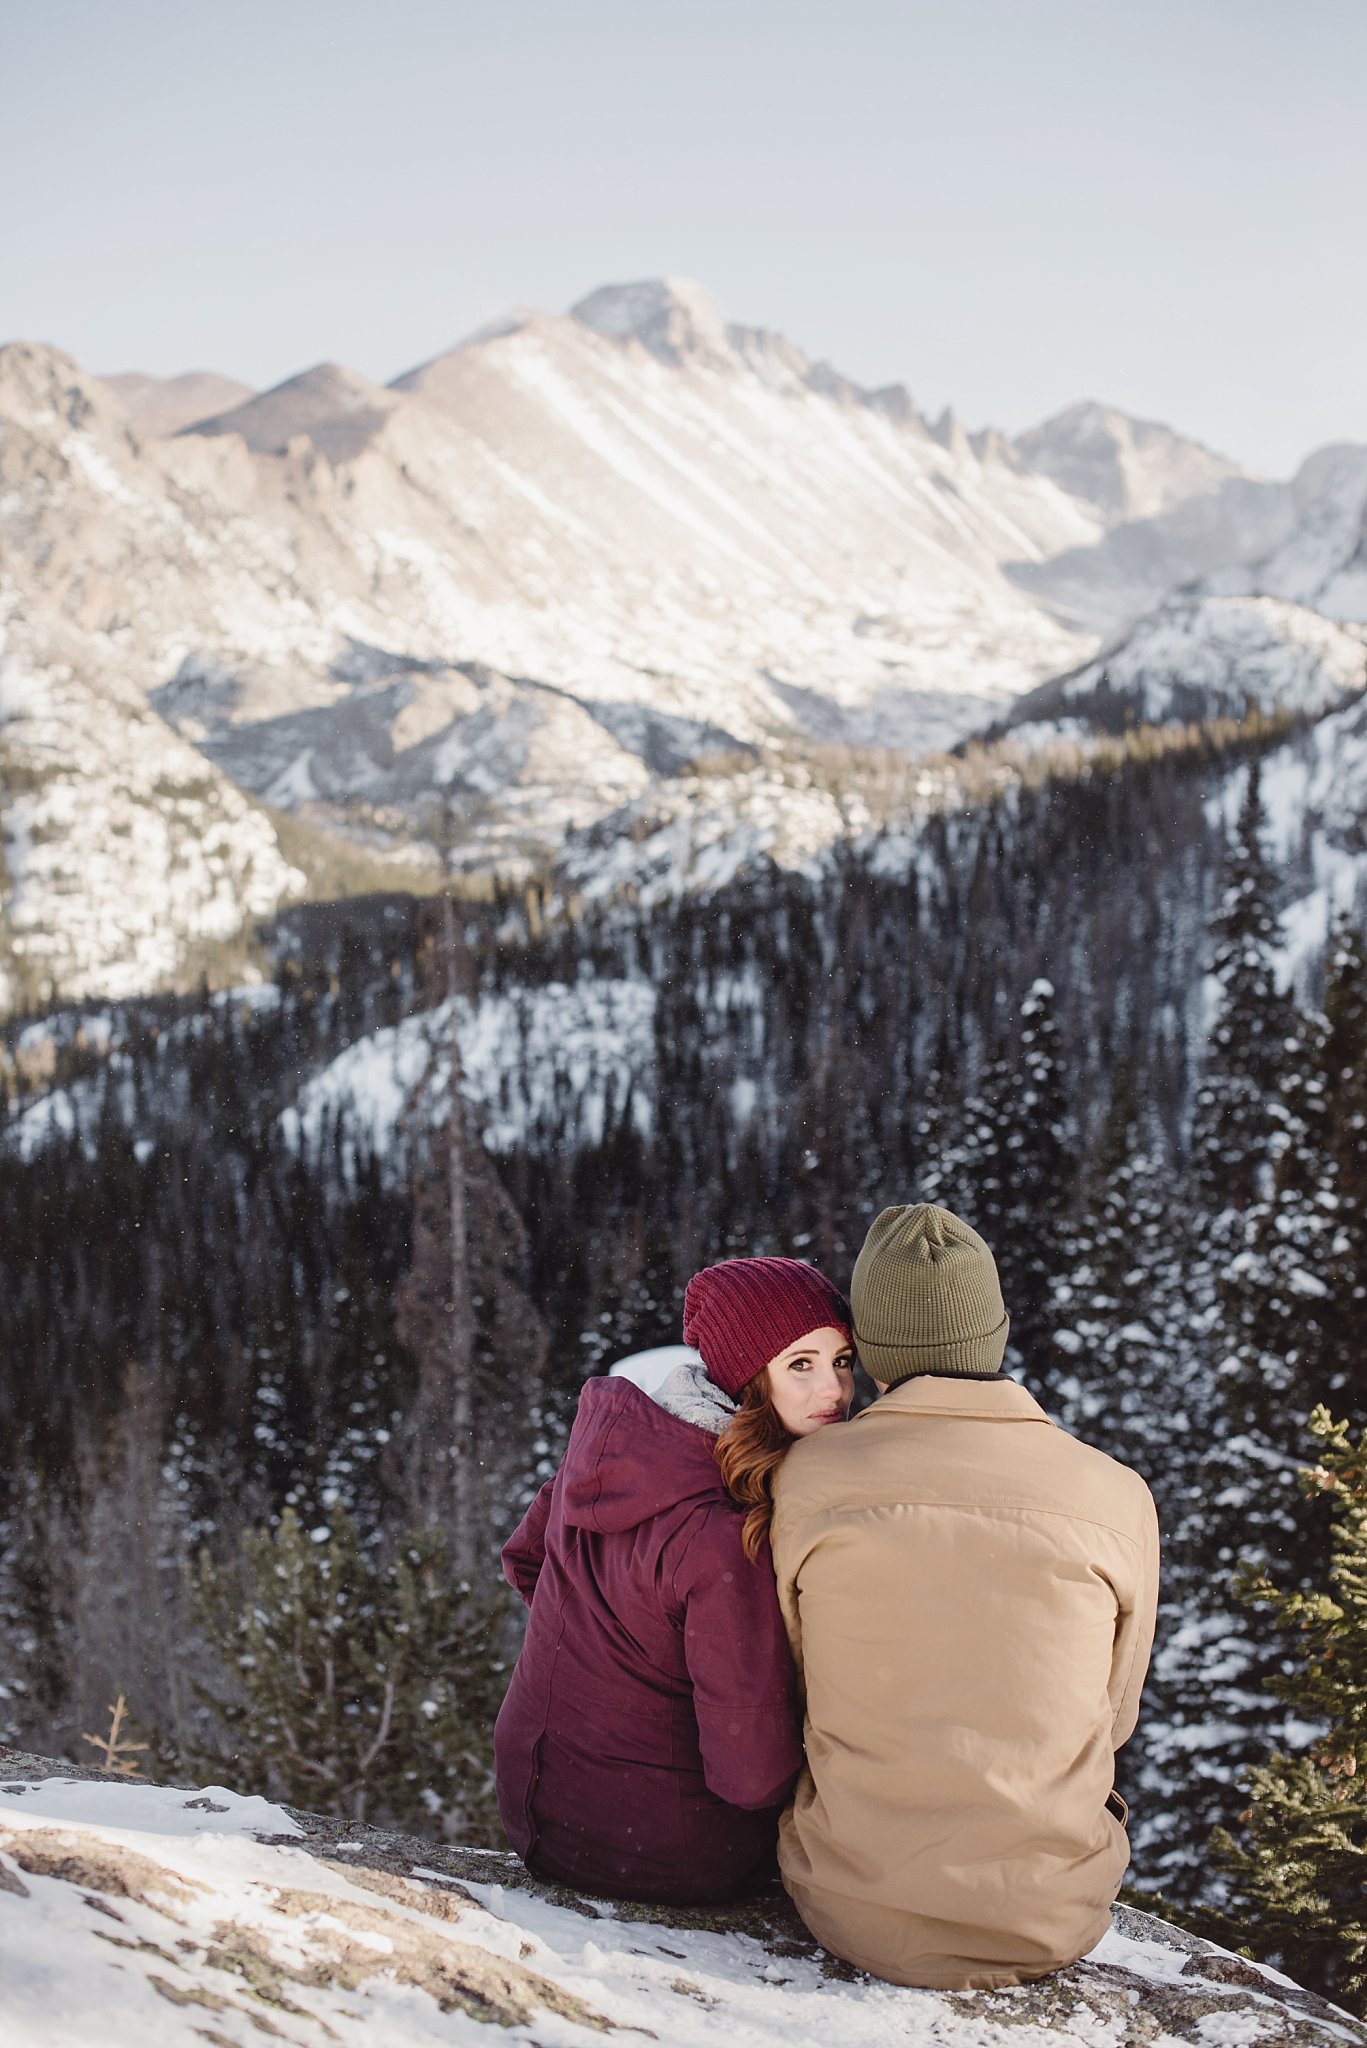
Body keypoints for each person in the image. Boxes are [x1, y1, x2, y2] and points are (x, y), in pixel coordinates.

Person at [771, 1203, 1160, 1991]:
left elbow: (793, 1681)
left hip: (848, 1902)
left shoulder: (810, 1479)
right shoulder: (1114, 1495)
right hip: (1050, 1916)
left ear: (872, 1350)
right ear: (995, 1331)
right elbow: (1113, 1715)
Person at [494, 1255, 856, 1905]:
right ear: (746, 1374)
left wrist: (617, 1656)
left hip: (536, 1805)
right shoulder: (721, 1534)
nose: (831, 1389)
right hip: (657, 1851)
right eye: (799, 1364)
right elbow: (750, 1777)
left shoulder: (612, 1446)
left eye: (841, 1361)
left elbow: (525, 1561)